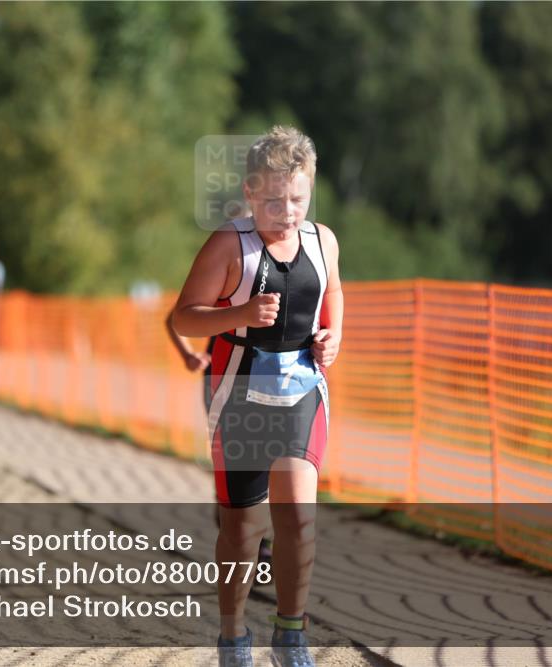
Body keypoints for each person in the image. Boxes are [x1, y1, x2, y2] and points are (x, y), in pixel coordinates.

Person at [172, 126, 343, 667]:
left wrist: (333, 334)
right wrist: (239, 316)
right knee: (243, 529)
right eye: (273, 200)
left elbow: (332, 290)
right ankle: (233, 637)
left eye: (297, 198)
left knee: (297, 516)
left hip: (303, 391)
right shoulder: (229, 244)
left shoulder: (323, 240)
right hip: (240, 394)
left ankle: (291, 635)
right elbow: (183, 316)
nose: (287, 211)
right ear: (249, 191)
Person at [164, 319, 275, 569]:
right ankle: (240, 538)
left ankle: (263, 545)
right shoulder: (225, 278)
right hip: (222, 378)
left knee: (271, 465)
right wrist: (188, 355)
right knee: (232, 467)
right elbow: (176, 318)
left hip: (274, 376)